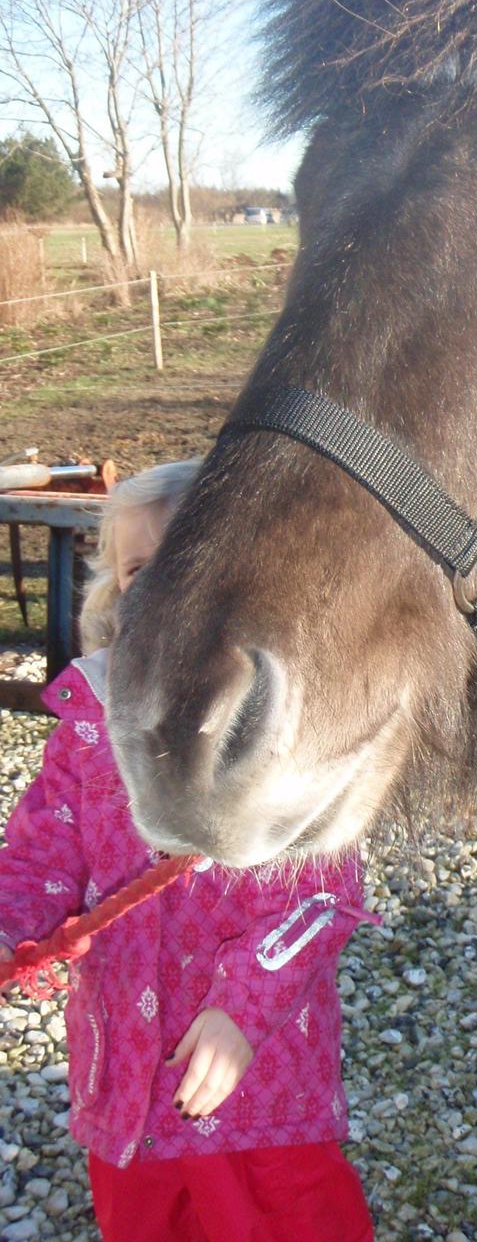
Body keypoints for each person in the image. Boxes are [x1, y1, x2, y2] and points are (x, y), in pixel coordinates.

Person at [0, 460, 375, 1242]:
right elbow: (41, 853)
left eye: (185, 562)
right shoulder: (90, 717)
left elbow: (319, 892)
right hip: (127, 1085)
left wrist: (243, 1012)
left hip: (253, 1089)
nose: (159, 586)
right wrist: (11, 930)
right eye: (140, 568)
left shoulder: (287, 721)